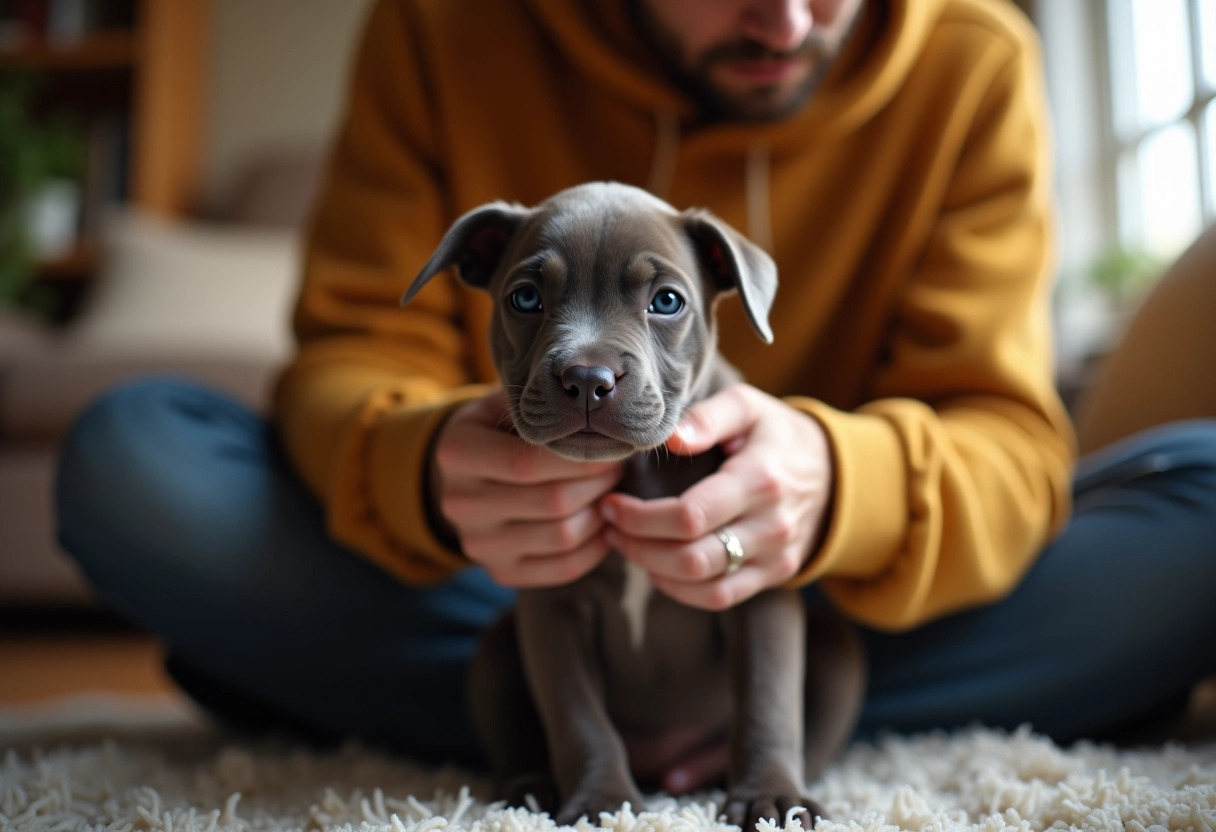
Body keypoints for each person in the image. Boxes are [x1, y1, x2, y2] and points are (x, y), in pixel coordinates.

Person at [56, 0, 1216, 795]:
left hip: (849, 629)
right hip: (487, 597)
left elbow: (1015, 451)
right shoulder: (442, 30)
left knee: (1204, 503)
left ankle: (315, 675)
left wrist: (840, 485)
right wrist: (420, 470)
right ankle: (524, 720)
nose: (787, 17)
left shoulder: (974, 62)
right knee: (131, 457)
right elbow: (347, 351)